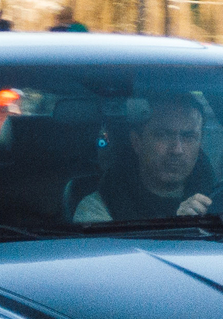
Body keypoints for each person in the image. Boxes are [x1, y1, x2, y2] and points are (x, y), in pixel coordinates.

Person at [72, 94, 215, 224]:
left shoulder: (221, 199)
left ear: (200, 143)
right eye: (163, 135)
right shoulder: (98, 208)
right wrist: (178, 228)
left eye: (189, 136)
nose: (177, 150)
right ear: (137, 142)